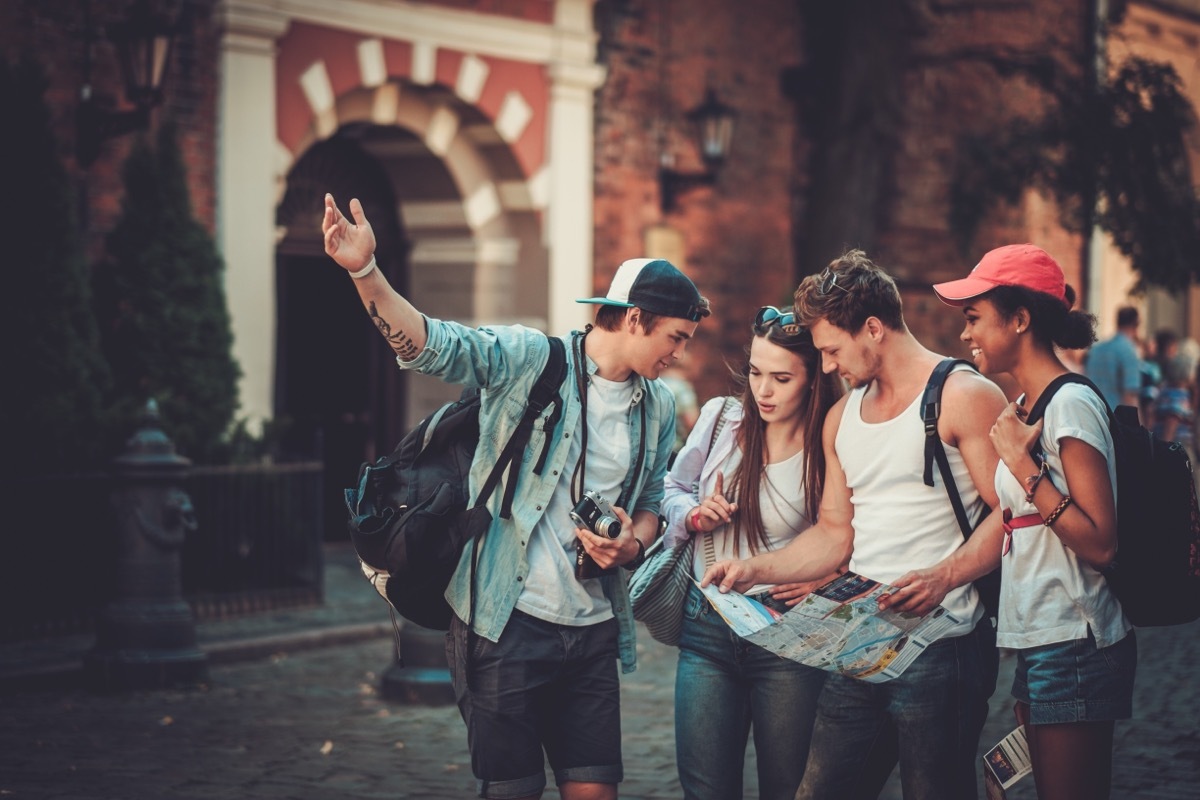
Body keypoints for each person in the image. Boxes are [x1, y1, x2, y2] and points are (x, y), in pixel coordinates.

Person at [322, 193, 711, 800]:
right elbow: (432, 344)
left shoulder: (657, 406)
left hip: (593, 628)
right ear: (634, 319)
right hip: (506, 623)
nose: (681, 352)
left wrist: (631, 541)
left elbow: (656, 496)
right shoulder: (534, 361)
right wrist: (365, 272)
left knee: (595, 790)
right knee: (513, 790)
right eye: (676, 336)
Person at [703, 250, 1008, 800]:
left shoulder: (965, 396)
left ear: (873, 328)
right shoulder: (842, 417)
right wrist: (754, 569)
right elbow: (833, 533)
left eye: (831, 350)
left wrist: (943, 575)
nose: (825, 367)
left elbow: (1012, 516)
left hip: (943, 646)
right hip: (858, 646)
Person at [932, 243, 1136, 800]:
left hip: (1075, 640)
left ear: (1020, 319)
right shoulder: (1026, 404)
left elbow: (1101, 543)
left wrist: (1025, 470)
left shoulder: (1069, 404)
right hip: (1042, 638)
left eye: (974, 318)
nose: (965, 333)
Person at [660, 306, 843, 800]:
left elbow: (849, 532)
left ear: (812, 380)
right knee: (705, 788)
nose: (763, 390)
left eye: (781, 378)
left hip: (788, 632)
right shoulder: (724, 419)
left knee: (786, 788)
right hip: (708, 625)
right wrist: (696, 514)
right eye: (756, 373)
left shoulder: (832, 440)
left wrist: (826, 579)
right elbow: (673, 488)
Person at [1084, 305, 1142, 410]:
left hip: (1092, 412)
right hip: (1114, 418)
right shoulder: (1128, 351)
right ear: (1136, 324)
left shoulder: (1096, 349)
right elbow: (1130, 395)